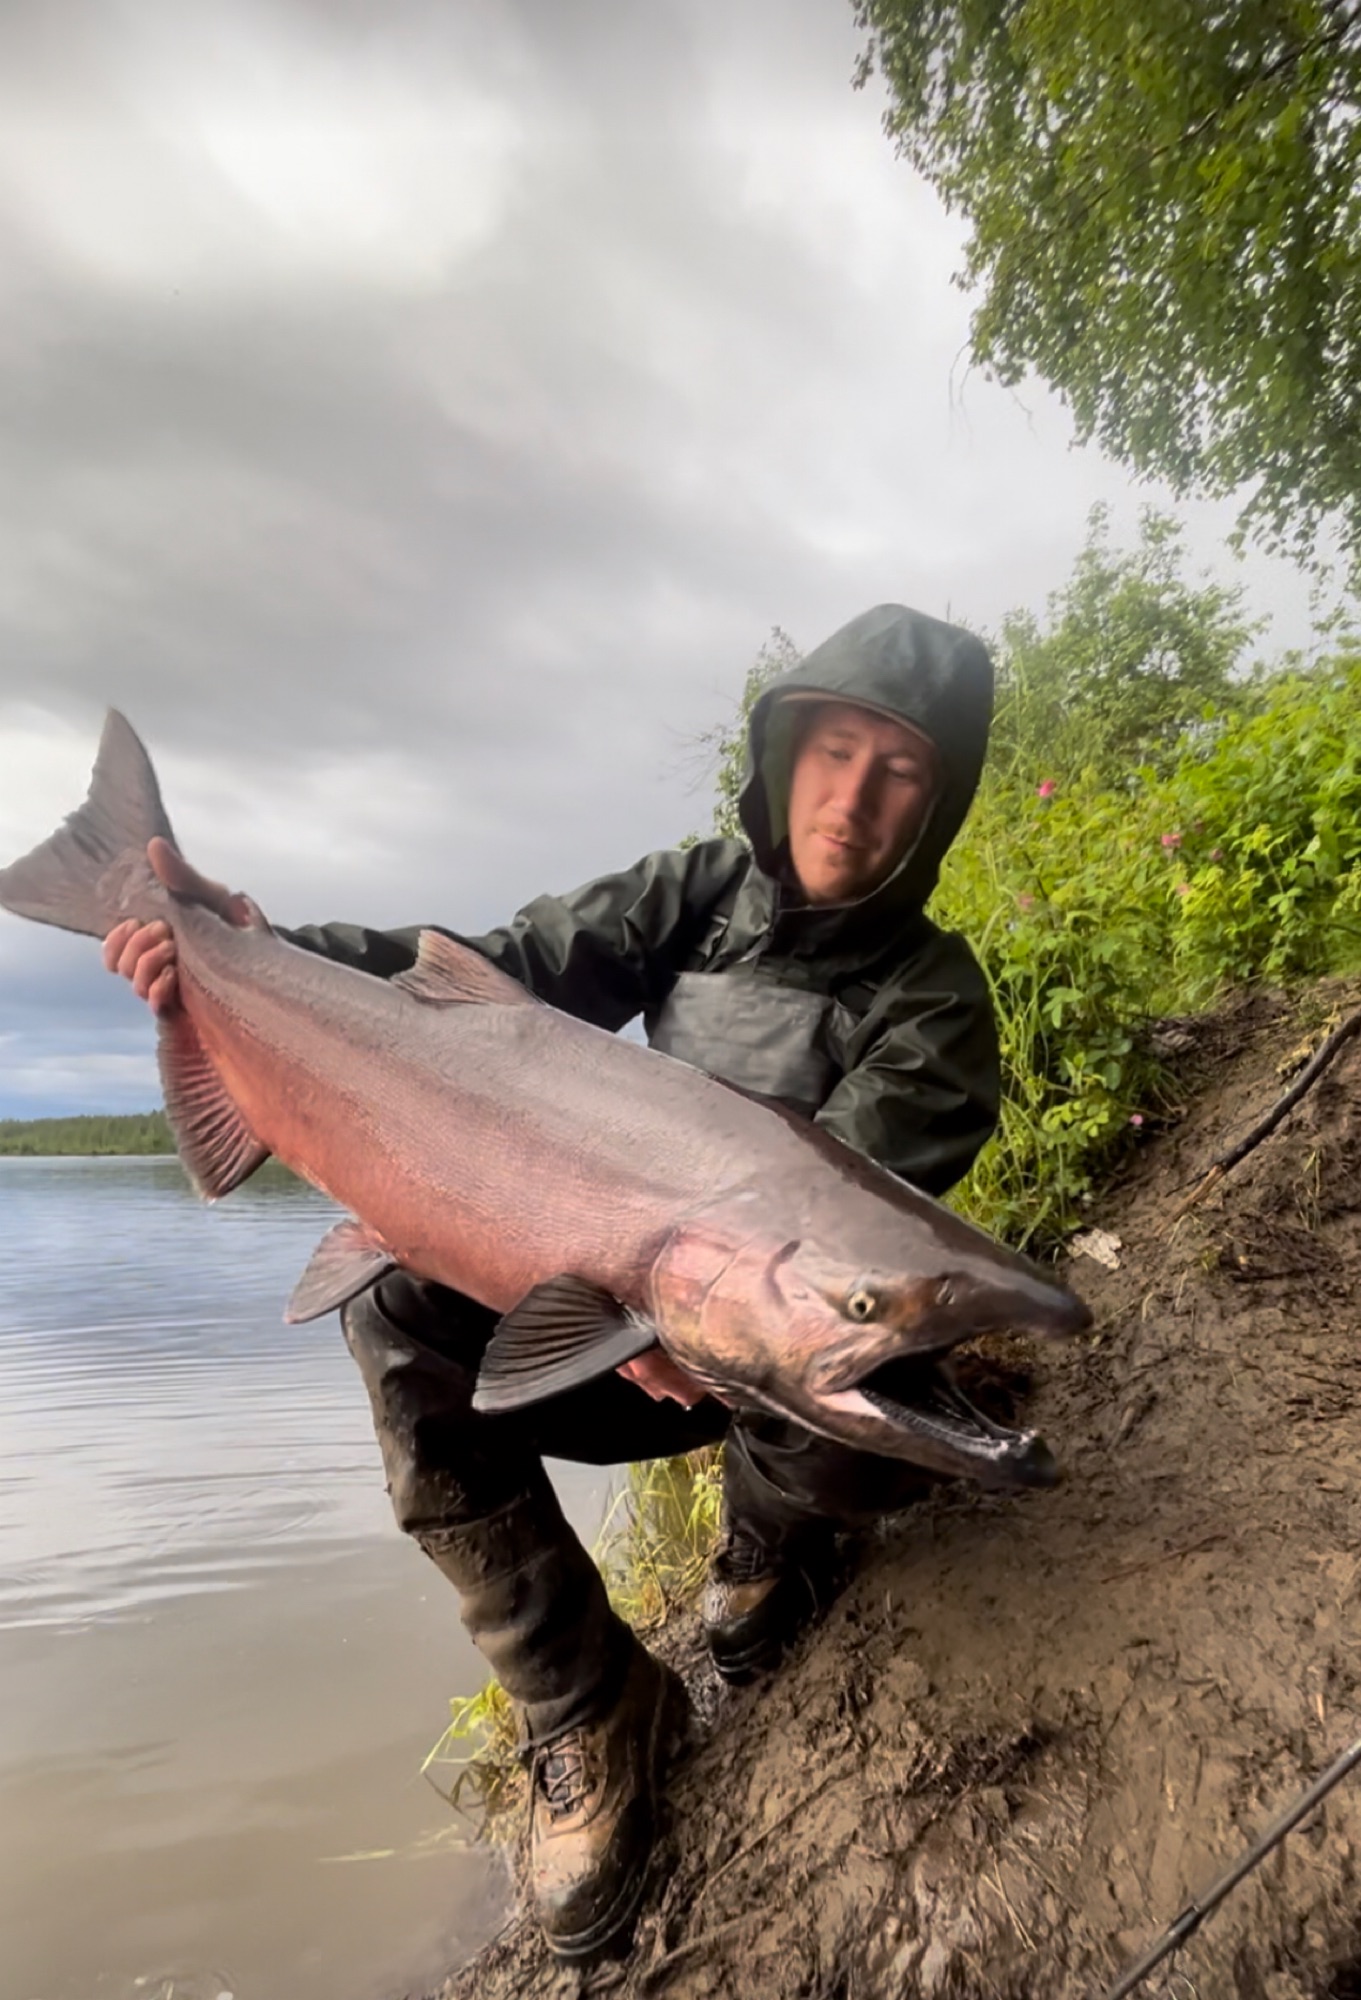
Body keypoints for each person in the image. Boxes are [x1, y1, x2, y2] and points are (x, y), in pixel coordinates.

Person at [104, 603, 1000, 1962]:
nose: (852, 797)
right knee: (392, 1307)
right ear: (781, 755)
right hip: (610, 1320)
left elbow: (821, 1245)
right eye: (832, 751)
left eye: (900, 771)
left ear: (936, 803)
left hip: (764, 1349)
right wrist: (251, 943)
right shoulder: (694, 891)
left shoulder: (933, 1001)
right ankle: (583, 1700)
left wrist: (672, 1306)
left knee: (870, 1353)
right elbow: (481, 984)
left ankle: (769, 1543)